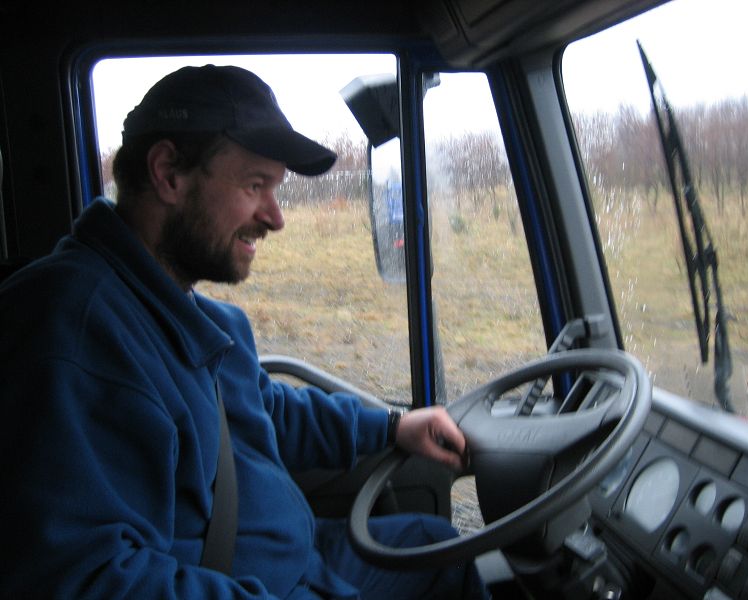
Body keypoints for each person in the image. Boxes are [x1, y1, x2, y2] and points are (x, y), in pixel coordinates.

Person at [0, 65, 488, 599]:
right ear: (168, 173)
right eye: (256, 185)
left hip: (299, 556)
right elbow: (84, 578)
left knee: (438, 549)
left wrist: (391, 427)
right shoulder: (71, 333)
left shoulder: (184, 311)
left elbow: (264, 410)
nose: (276, 218)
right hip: (251, 583)